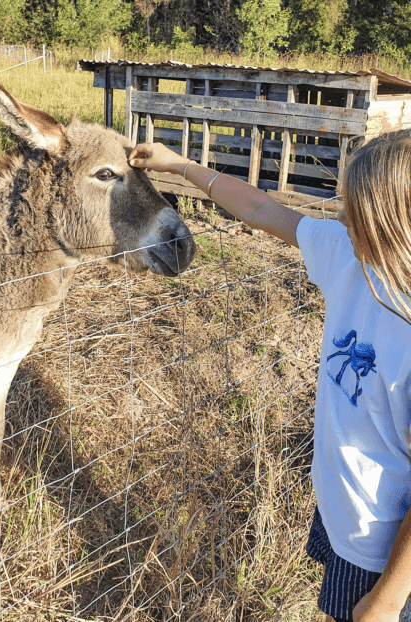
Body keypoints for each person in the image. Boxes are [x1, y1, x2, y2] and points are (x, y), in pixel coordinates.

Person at [129, 135, 411, 622]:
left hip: (385, 555)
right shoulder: (350, 256)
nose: (340, 217)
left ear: (391, 223)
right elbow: (260, 207)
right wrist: (182, 166)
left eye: (354, 210)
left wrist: (386, 601)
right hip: (346, 516)